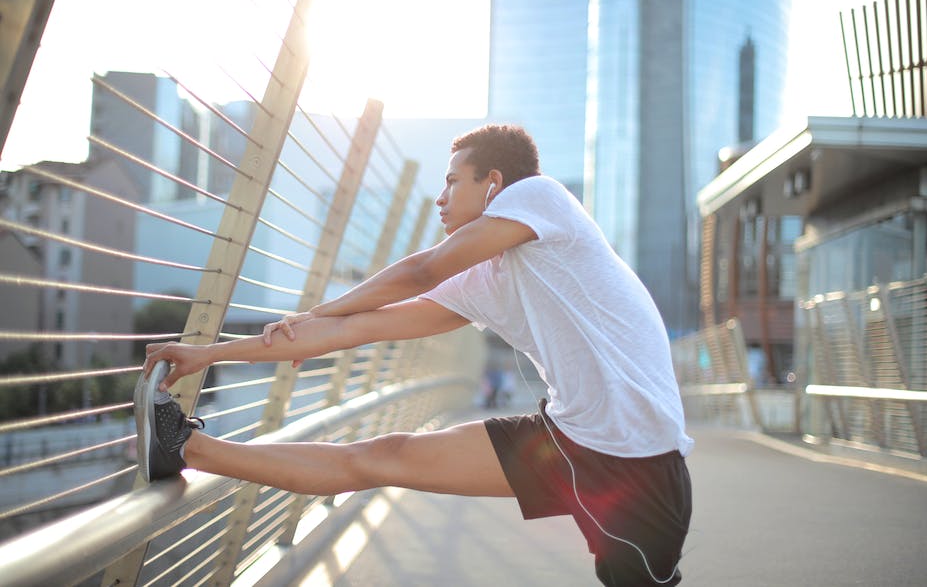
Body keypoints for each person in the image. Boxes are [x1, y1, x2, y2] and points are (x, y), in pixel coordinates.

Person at [139, 124, 693, 586]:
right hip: (567, 438)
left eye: (453, 181)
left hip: (635, 459)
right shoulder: (484, 280)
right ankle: (189, 448)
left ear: (494, 185)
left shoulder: (538, 195)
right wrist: (207, 354)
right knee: (382, 456)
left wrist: (316, 312)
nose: (441, 197)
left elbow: (420, 271)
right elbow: (353, 332)